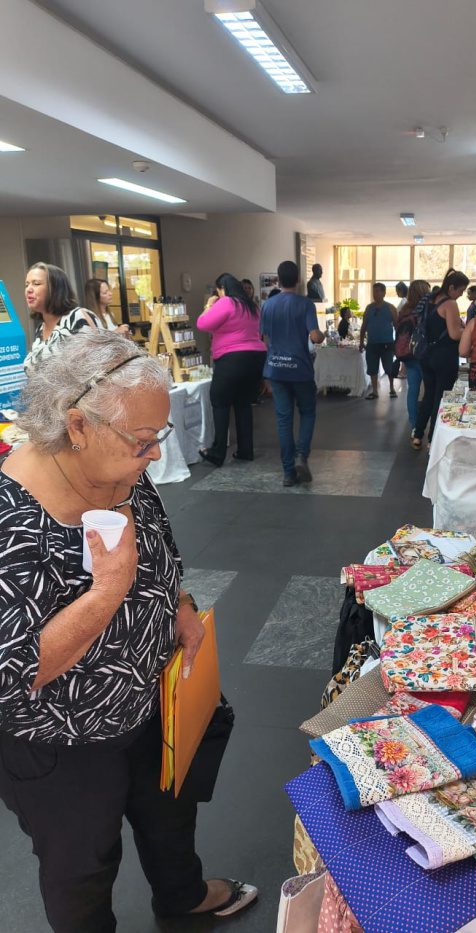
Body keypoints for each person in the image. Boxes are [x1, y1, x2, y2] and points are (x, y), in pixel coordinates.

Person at [0, 331, 257, 932]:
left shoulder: (120, 468)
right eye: (143, 441)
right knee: (80, 863)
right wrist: (108, 592)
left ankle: (183, 896)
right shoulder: (10, 518)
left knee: (171, 812)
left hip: (151, 697)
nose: (153, 455)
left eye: (158, 437)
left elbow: (162, 551)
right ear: (77, 424)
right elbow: (14, 668)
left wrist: (181, 603)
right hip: (61, 738)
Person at [261, 260, 325, 487]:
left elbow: (264, 337)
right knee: (307, 412)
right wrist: (322, 335)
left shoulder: (268, 305)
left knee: (283, 419)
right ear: (298, 279)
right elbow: (315, 336)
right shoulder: (305, 304)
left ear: (278, 280)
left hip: (276, 369)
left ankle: (288, 473)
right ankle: (301, 456)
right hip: (300, 369)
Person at [196, 273, 267, 465]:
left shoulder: (227, 302)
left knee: (220, 401)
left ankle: (217, 453)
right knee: (243, 403)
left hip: (232, 358)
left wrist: (210, 305)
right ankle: (246, 450)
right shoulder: (252, 306)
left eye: (218, 291)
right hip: (256, 358)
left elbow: (202, 323)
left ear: (222, 289)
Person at [411, 268, 469, 448]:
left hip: (425, 355)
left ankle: (418, 435)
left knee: (428, 395)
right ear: (451, 287)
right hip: (444, 357)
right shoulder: (450, 304)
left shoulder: (429, 299)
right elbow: (454, 334)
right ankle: (433, 440)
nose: (460, 295)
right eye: (460, 290)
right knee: (441, 397)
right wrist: (468, 331)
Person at [23, 262, 97, 371]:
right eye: (27, 284)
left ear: (55, 289)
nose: (29, 289)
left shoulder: (77, 317)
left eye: (36, 283)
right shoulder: (40, 328)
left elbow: (96, 364)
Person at [395, 279, 430, 433]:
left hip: (407, 354)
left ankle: (414, 425)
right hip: (423, 354)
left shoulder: (404, 310)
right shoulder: (425, 309)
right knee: (429, 390)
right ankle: (427, 424)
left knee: (413, 388)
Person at [359, 283, 398, 399]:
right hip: (372, 344)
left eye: (378, 291)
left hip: (387, 343)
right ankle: (375, 391)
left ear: (384, 293)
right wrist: (361, 342)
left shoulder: (391, 308)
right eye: (374, 291)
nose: (375, 294)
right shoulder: (369, 308)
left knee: (389, 367)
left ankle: (391, 388)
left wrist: (397, 344)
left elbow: (397, 326)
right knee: (372, 368)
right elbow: (364, 326)